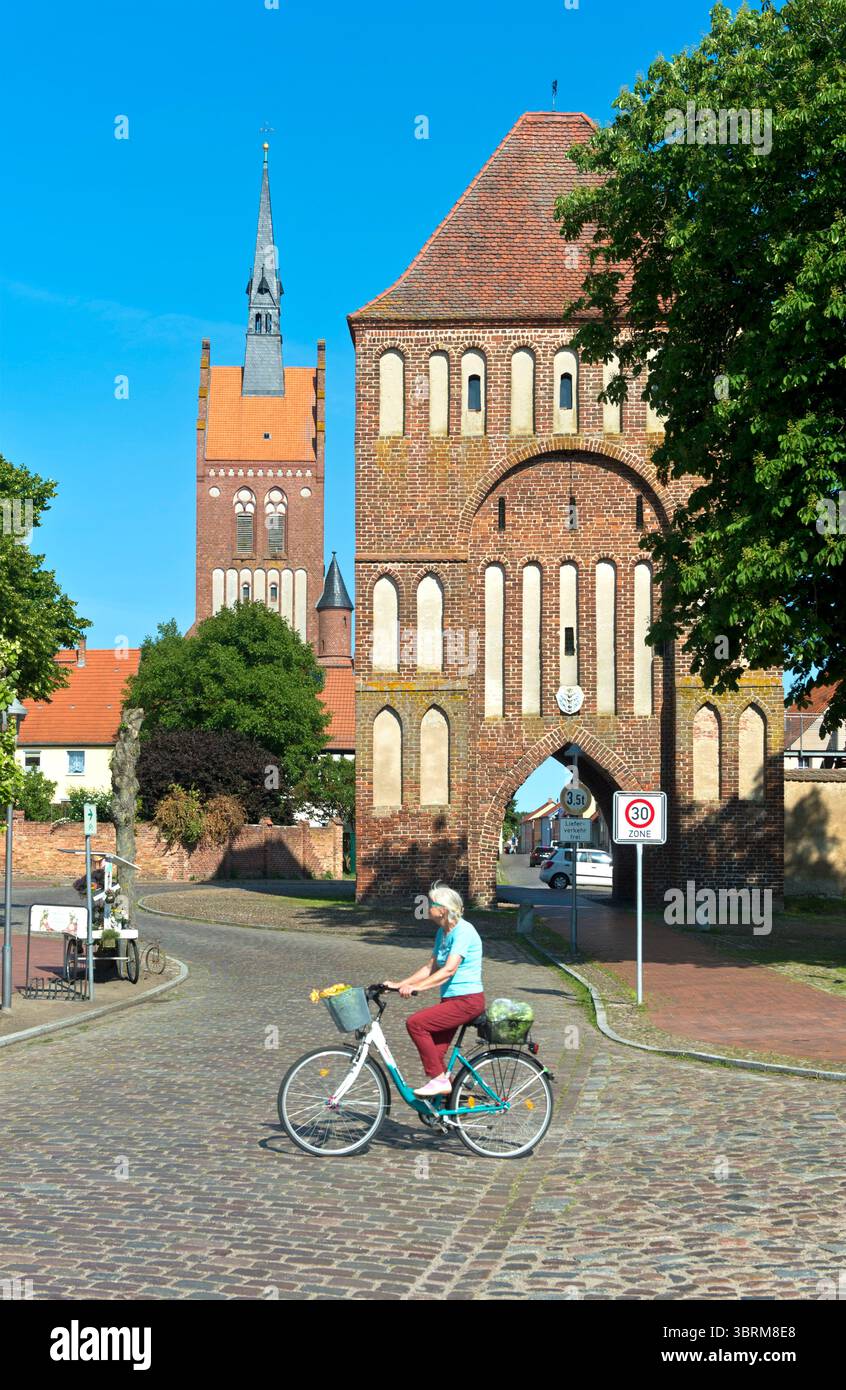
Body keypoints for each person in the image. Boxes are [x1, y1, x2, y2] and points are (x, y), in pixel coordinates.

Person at [383, 882, 485, 1098]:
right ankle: (455, 1107)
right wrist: (401, 984)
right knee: (435, 1056)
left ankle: (441, 1082)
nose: (427, 907)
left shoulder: (464, 931)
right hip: (452, 1001)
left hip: (467, 1001)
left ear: (443, 910)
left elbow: (448, 970)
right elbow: (430, 967)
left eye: (431, 903)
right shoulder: (443, 933)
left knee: (416, 1024)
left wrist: (416, 988)